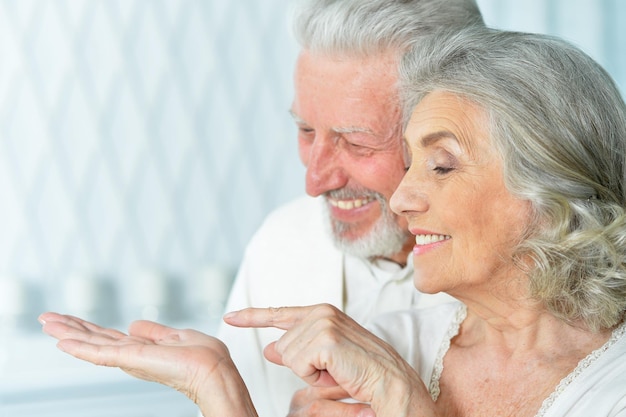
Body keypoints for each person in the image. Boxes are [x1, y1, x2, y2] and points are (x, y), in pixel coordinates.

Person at [40, 27, 626, 417]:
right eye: (305, 131)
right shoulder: (391, 343)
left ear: (552, 186)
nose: (403, 198)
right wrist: (219, 387)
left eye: (441, 165)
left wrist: (407, 404)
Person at [217, 0, 483, 415]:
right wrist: (217, 389)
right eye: (306, 131)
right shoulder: (280, 242)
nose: (315, 182)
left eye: (357, 143)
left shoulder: (521, 282)